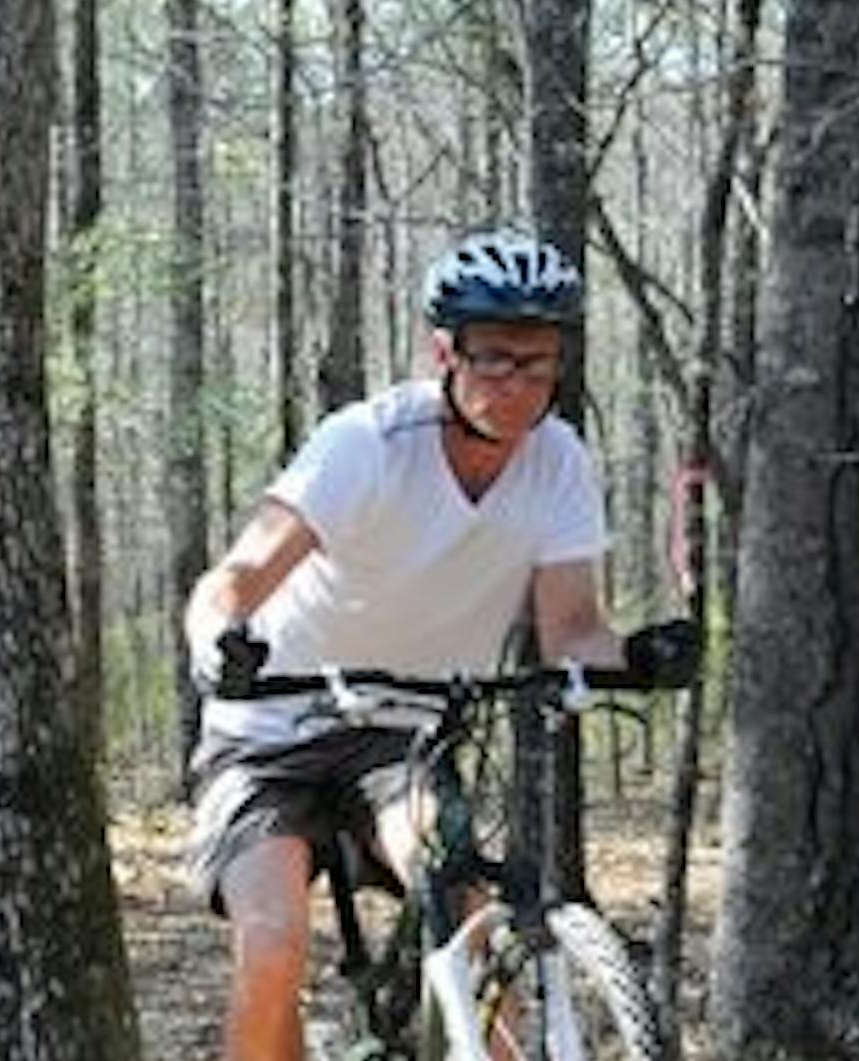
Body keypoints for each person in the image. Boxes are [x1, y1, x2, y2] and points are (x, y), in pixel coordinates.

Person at [183, 227, 699, 1061]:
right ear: (444, 353)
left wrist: (638, 656)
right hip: (268, 738)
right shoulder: (369, 444)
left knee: (466, 909)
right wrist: (220, 643)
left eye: (538, 362)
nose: (519, 385)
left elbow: (571, 628)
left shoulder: (560, 462)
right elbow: (232, 582)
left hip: (403, 739)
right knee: (273, 946)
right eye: (495, 358)